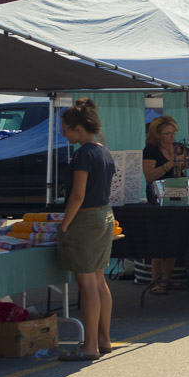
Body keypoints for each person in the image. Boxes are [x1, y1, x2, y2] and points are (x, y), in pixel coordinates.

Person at [57, 99, 116, 362]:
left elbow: (78, 195)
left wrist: (64, 224)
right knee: (99, 280)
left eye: (66, 130)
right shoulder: (104, 151)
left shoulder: (83, 154)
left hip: (86, 219)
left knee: (88, 284)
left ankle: (89, 345)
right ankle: (104, 339)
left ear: (79, 128)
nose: (64, 134)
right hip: (104, 215)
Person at [141, 114, 189, 295]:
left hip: (178, 196)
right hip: (158, 197)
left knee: (172, 238)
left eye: (173, 133)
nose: (172, 137)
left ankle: (167, 279)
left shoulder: (180, 148)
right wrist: (170, 163)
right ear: (158, 135)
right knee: (159, 239)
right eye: (167, 134)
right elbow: (149, 176)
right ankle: (157, 280)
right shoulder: (151, 150)